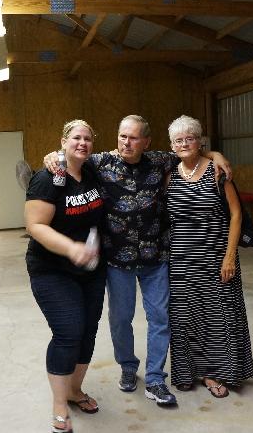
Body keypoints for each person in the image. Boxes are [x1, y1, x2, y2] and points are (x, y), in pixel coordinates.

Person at [43, 114, 232, 407]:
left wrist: (215, 154)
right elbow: (72, 155)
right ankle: (128, 367)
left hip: (156, 259)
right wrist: (52, 156)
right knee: (121, 320)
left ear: (146, 141)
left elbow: (189, 150)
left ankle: (155, 378)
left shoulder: (160, 161)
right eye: (122, 136)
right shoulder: (101, 163)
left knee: (160, 319)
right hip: (117, 261)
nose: (126, 143)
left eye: (133, 138)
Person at [26, 120, 107, 433]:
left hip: (91, 268)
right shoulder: (48, 177)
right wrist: (70, 248)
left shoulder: (92, 170)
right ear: (63, 141)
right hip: (51, 269)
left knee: (88, 330)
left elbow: (131, 153)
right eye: (76, 137)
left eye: (88, 138)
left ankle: (74, 390)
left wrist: (213, 154)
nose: (82, 143)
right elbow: (35, 226)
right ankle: (59, 404)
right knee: (69, 331)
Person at [165, 115, 253, 398]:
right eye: (178, 140)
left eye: (189, 138)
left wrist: (230, 257)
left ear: (199, 141)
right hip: (180, 259)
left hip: (215, 256)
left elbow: (236, 215)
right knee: (184, 315)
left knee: (217, 315)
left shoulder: (217, 172)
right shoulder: (169, 174)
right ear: (172, 145)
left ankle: (214, 373)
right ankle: (187, 371)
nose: (184, 144)